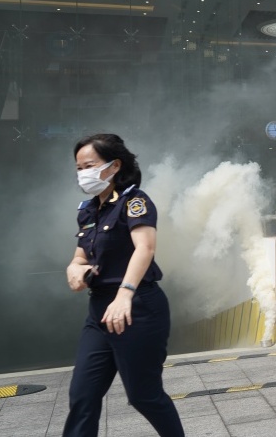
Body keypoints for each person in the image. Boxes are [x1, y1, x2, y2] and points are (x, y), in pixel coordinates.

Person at [63, 134, 184, 437]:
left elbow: (145, 247)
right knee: (82, 395)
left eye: (88, 166)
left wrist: (124, 295)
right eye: (78, 168)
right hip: (99, 312)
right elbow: (80, 255)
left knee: (144, 396)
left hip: (137, 307)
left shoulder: (135, 202)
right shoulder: (88, 210)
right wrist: (74, 268)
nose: (82, 174)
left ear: (114, 165)